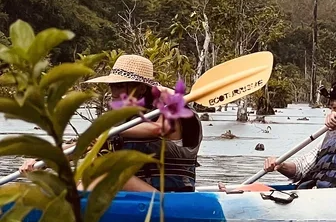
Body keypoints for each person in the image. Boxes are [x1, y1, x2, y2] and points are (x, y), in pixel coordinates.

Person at [19, 53, 201, 191]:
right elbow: (80, 147)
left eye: (120, 85)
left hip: (168, 198)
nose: (113, 91)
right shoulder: (120, 121)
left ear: (141, 88)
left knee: (109, 173)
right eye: (112, 85)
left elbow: (158, 130)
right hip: (135, 195)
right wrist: (38, 160)